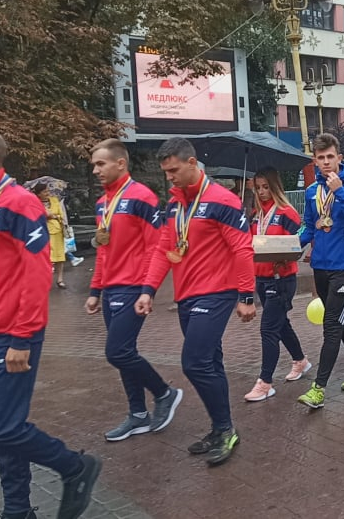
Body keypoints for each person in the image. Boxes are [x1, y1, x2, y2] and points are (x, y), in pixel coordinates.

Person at [0, 124, 101, 519]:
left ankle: (75, 467)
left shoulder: (18, 203)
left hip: (9, 336)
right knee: (4, 429)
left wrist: (22, 337)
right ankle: (18, 509)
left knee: (2, 429)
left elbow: (36, 274)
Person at [135, 137, 256, 465]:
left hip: (216, 292)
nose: (169, 177)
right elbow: (164, 248)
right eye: (165, 172)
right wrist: (148, 290)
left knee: (195, 362)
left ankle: (225, 428)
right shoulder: (175, 204)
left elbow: (242, 249)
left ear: (192, 163)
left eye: (173, 170)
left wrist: (246, 295)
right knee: (210, 362)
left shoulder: (223, 200)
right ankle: (221, 428)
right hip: (187, 295)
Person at [85, 139, 183, 441]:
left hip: (132, 287)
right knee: (125, 352)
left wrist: (147, 289)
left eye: (101, 164)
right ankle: (138, 414)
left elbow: (156, 246)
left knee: (117, 351)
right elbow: (103, 250)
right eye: (93, 165)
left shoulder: (142, 197)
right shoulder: (102, 203)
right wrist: (95, 290)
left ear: (120, 163)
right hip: (111, 289)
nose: (95, 170)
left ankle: (164, 393)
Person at [297, 133, 344, 409]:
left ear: (339, 158)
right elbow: (308, 226)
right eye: (321, 158)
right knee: (342, 321)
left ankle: (318, 389)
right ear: (315, 161)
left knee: (331, 325)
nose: (326, 162)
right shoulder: (311, 192)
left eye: (331, 156)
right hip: (320, 266)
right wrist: (289, 248)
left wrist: (340, 192)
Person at [245, 169, 312, 402]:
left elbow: (298, 240)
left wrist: (286, 254)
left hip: (281, 279)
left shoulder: (286, 212)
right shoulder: (255, 215)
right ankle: (300, 360)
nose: (262, 192)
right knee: (280, 324)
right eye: (258, 187)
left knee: (268, 329)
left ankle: (265, 383)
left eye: (266, 187)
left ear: (275, 187)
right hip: (262, 278)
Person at [32, 184, 69, 288]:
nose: (47, 193)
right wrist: (44, 216)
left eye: (48, 191)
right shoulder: (34, 202)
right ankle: (45, 279)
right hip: (42, 232)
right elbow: (33, 216)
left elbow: (61, 215)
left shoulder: (55, 200)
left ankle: (60, 279)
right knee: (45, 258)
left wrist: (53, 216)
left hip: (57, 231)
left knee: (59, 256)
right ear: (38, 194)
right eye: (44, 192)